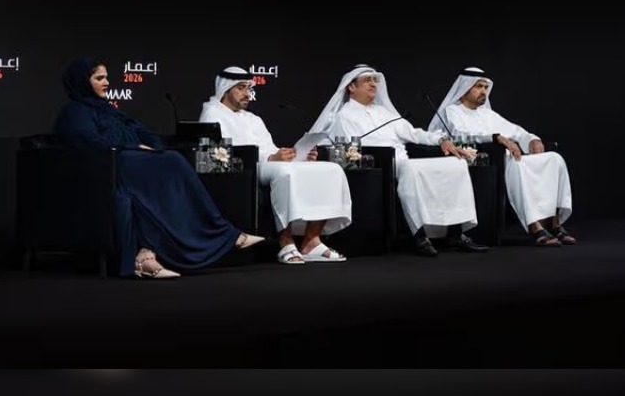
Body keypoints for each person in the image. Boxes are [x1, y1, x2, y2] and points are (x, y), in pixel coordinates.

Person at [53, 57, 264, 279]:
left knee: (167, 165)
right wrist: (134, 146)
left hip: (134, 167)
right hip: (110, 169)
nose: (106, 82)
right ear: (83, 82)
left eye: (106, 77)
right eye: (99, 78)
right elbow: (89, 144)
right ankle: (226, 234)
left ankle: (149, 255)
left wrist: (155, 145)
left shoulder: (110, 110)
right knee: (172, 160)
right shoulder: (74, 112)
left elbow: (142, 131)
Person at [309, 64, 485, 257]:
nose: (373, 84)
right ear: (351, 87)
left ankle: (455, 233)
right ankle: (418, 236)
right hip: (379, 165)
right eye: (367, 81)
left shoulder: (385, 113)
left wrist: (441, 140)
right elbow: (352, 151)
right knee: (409, 168)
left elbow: (415, 133)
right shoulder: (343, 116)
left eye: (375, 80)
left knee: (456, 164)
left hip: (403, 162)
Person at [199, 67, 352, 264]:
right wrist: (272, 158)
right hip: (246, 168)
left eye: (249, 88)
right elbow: (223, 153)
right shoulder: (212, 114)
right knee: (284, 172)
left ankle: (312, 241)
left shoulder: (253, 119)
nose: (247, 94)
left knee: (331, 169)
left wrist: (298, 156)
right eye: (241, 88)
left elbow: (270, 148)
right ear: (224, 89)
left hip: (268, 163)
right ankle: (286, 242)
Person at [428, 67, 574, 246]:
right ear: (464, 89)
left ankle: (554, 223)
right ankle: (534, 226)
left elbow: (516, 131)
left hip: (503, 159)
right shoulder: (452, 111)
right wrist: (496, 138)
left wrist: (532, 140)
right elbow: (460, 136)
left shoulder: (487, 114)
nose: (484, 91)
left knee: (554, 159)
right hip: (478, 160)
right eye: (478, 86)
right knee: (515, 163)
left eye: (485, 87)